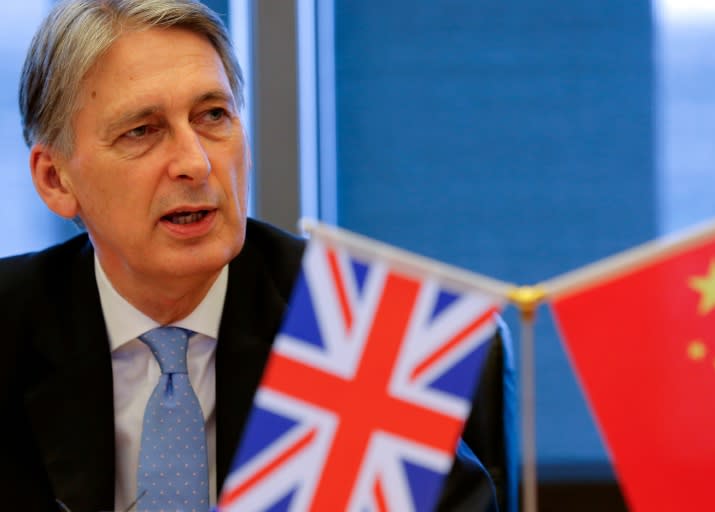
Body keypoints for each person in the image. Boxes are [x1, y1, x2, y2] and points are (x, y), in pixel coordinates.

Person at [0, 0, 508, 510]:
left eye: (213, 116)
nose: (195, 164)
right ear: (55, 179)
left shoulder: (356, 330)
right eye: (143, 131)